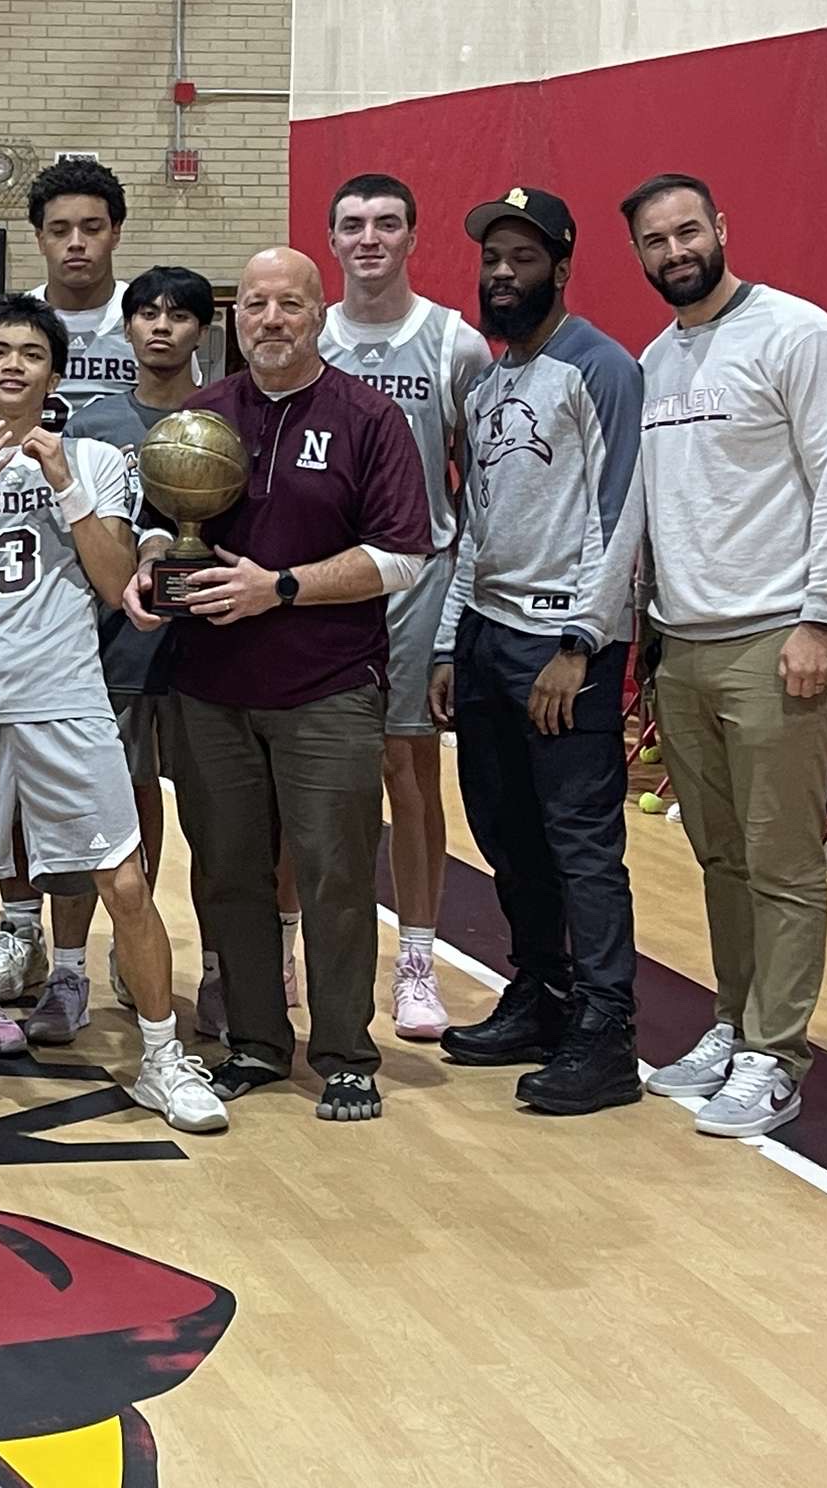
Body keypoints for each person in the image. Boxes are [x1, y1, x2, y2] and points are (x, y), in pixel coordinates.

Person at [0, 295, 224, 1135]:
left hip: (64, 693)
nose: (13, 365)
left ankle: (163, 1057)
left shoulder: (96, 459)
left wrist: (61, 482)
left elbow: (113, 579)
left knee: (123, 879)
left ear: (54, 373)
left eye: (30, 352)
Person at [126, 248, 431, 1123]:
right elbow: (156, 525)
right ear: (236, 319)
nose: (269, 320)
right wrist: (153, 567)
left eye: (289, 305)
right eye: (254, 305)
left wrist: (281, 586)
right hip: (211, 687)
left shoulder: (370, 419)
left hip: (327, 686)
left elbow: (403, 556)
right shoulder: (201, 412)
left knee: (336, 872)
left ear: (320, 313)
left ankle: (343, 1053)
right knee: (226, 872)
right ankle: (254, 1042)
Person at [622, 172, 827, 1139]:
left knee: (780, 863)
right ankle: (732, 1026)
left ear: (722, 229)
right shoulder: (654, 362)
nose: (676, 252)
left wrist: (822, 617)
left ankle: (777, 1054)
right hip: (683, 649)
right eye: (656, 242)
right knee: (719, 857)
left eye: (689, 231)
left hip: (780, 641)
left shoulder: (802, 338)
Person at [426, 186, 646, 1114]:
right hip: (487, 639)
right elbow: (478, 523)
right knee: (506, 832)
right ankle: (542, 996)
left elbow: (625, 514)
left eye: (521, 259)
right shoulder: (491, 380)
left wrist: (582, 643)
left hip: (564, 647)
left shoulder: (603, 369)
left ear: (560, 265)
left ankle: (607, 1034)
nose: (501, 274)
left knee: (581, 847)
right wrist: (448, 639)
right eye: (490, 260)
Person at [319, 174, 493, 1040]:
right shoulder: (309, 336)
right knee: (305, 780)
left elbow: (483, 480)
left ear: (414, 237)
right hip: (321, 585)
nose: (370, 238)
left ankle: (417, 962)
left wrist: (458, 612)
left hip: (418, 581)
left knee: (409, 774)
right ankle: (289, 951)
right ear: (333, 240)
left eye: (387, 223)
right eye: (353, 225)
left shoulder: (454, 345)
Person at [0, 157, 158, 997]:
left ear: (116, 232)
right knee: (22, 778)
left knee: (128, 775)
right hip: (32, 585)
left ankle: (124, 939)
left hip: (126, 568)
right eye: (60, 229)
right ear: (39, 238)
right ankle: (20, 929)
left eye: (92, 227)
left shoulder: (153, 317)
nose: (77, 243)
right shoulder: (12, 330)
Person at [32, 268, 216, 1047]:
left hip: (211, 648)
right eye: (147, 314)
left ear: (203, 330)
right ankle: (68, 968)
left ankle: (223, 973)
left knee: (209, 817)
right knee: (95, 812)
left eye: (179, 316)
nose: (162, 328)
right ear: (128, 327)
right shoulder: (96, 424)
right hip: (110, 648)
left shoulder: (226, 416)